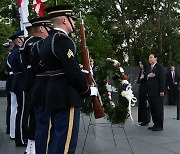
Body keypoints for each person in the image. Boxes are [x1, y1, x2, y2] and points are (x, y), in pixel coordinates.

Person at [38, 4, 97, 154]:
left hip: (53, 92)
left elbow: (59, 65)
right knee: (65, 143)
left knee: (56, 139)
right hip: (66, 95)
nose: (75, 22)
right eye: (72, 19)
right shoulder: (63, 40)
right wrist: (86, 90)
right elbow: (72, 73)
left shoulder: (47, 41)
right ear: (65, 20)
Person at [8, 30, 27, 146]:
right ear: (19, 39)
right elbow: (23, 68)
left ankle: (20, 137)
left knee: (21, 110)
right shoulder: (18, 52)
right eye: (22, 38)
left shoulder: (14, 52)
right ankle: (21, 138)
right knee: (23, 111)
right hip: (21, 82)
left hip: (18, 81)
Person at [145, 52, 166, 131]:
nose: (149, 59)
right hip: (150, 92)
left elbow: (162, 79)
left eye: (151, 57)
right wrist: (148, 76)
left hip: (157, 92)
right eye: (149, 58)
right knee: (152, 109)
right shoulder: (149, 68)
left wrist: (162, 90)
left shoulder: (159, 67)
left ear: (156, 58)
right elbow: (146, 77)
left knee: (158, 109)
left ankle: (160, 125)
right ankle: (155, 123)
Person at [3, 40, 14, 134]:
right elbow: (7, 71)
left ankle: (9, 126)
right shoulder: (9, 56)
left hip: (11, 81)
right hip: (11, 81)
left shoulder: (9, 56)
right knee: (12, 105)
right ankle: (9, 126)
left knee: (11, 105)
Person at [137, 59, 150, 126]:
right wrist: (140, 78)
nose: (141, 65)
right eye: (140, 64)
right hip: (141, 89)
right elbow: (138, 80)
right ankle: (142, 120)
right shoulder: (141, 71)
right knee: (141, 105)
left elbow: (148, 78)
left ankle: (146, 120)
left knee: (146, 105)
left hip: (146, 89)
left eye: (141, 64)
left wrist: (144, 77)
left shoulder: (147, 70)